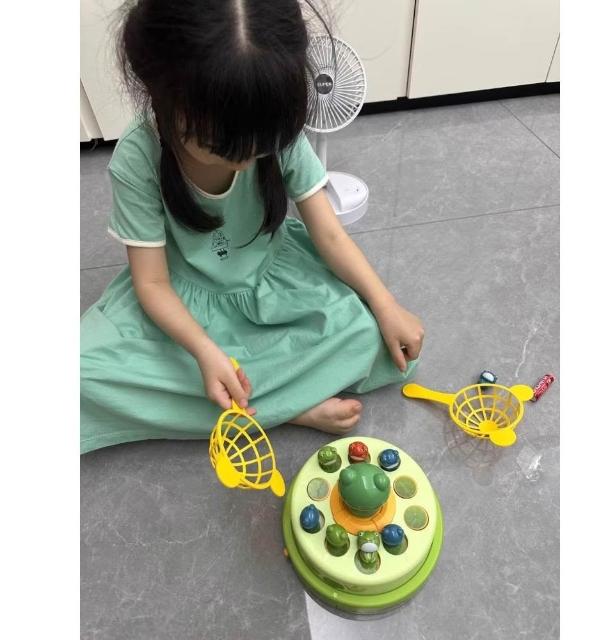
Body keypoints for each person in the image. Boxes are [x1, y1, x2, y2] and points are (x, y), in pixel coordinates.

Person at [80, 0, 425, 454]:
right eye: (221, 145)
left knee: (370, 336)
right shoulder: (138, 157)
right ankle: (291, 405)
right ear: (162, 93)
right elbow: (152, 283)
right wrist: (205, 352)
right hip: (181, 305)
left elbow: (329, 234)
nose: (244, 163)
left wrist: (385, 304)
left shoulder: (272, 121)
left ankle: (257, 405)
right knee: (80, 376)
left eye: (260, 148)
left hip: (273, 287)